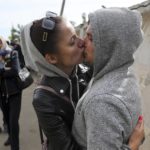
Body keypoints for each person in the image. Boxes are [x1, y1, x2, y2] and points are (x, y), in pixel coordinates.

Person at [20, 11, 144, 150]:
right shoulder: (44, 99)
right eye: (72, 41)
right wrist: (132, 146)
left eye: (78, 35)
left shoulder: (87, 69)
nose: (82, 42)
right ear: (52, 58)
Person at [72, 7, 144, 150]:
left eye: (90, 38)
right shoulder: (123, 72)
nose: (82, 42)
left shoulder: (102, 102)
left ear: (111, 46)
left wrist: (133, 147)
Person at [0, 36, 22, 150]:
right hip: (2, 94)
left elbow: (15, 70)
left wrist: (2, 72)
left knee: (13, 122)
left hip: (14, 92)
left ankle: (15, 147)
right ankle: (10, 137)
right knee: (7, 120)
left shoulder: (12, 53)